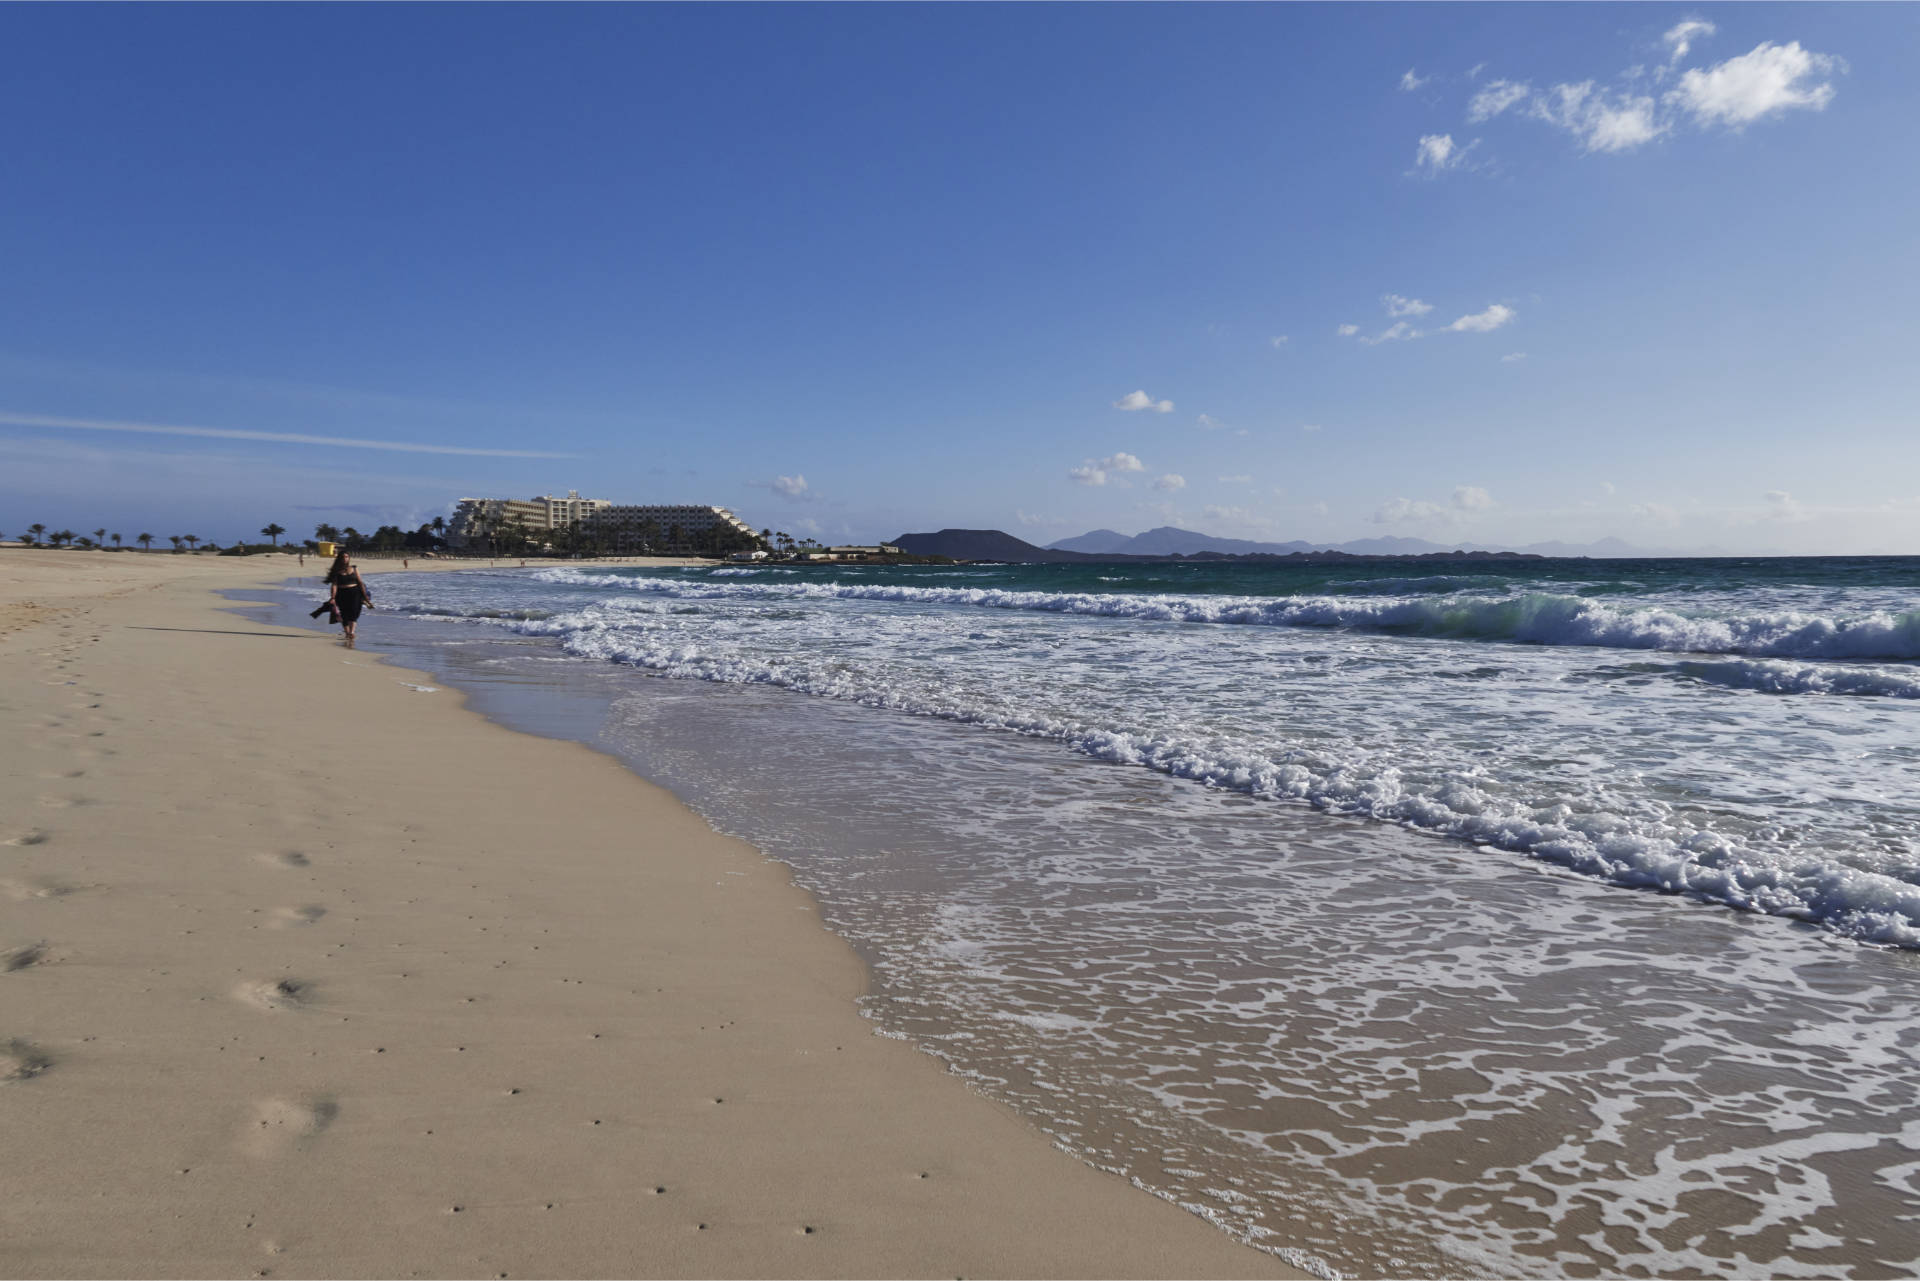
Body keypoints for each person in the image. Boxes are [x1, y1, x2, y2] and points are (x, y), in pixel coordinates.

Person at [321, 552, 374, 645]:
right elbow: (334, 585)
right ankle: (347, 632)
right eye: (343, 557)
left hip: (355, 593)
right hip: (342, 594)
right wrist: (333, 597)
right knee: (344, 614)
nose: (345, 558)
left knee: (354, 612)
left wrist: (365, 596)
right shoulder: (336, 571)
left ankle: (351, 632)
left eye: (347, 557)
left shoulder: (354, 568)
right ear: (339, 559)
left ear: (349, 558)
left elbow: (360, 582)